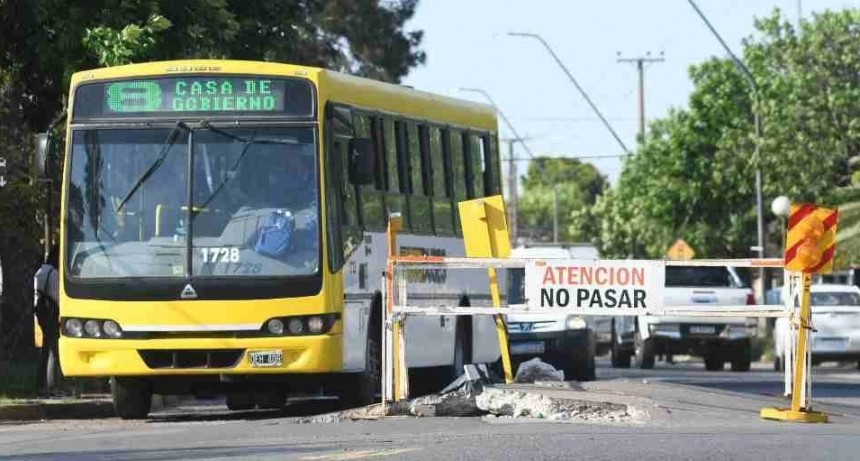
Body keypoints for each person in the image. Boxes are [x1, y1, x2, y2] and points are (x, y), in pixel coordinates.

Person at [34, 244, 61, 393]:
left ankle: (41, 383)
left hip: (41, 313)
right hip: (51, 313)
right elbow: (57, 297)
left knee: (45, 348)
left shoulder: (40, 271)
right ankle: (52, 384)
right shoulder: (54, 273)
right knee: (53, 348)